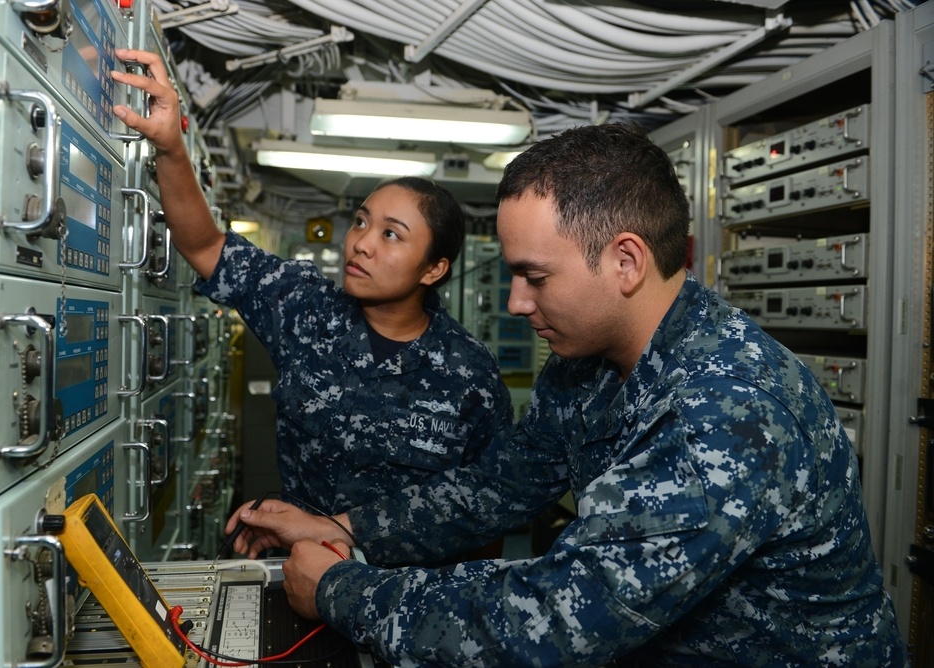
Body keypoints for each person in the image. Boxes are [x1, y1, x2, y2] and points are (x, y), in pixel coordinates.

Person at [221, 122, 909, 666]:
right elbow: (502, 485)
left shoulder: (725, 410)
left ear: (626, 262)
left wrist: (342, 591)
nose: (517, 303)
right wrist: (345, 528)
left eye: (535, 277)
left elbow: (559, 619)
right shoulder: (584, 362)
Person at [110, 49, 513, 565]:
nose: (361, 243)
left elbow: (488, 513)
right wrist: (170, 147)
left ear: (433, 269)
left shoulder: (469, 373)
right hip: (300, 577)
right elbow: (207, 246)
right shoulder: (306, 309)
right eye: (363, 222)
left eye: (391, 235)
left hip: (409, 605)